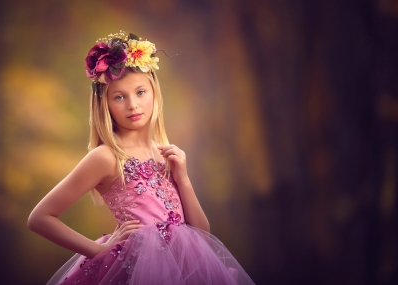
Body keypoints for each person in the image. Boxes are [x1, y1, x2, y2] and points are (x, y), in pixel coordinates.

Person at [28, 31, 255, 285]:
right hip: (135, 271)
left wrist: (184, 179)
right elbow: (40, 218)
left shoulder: (165, 153)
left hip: (185, 273)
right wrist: (98, 250)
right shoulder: (106, 157)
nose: (133, 105)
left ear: (154, 92)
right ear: (105, 104)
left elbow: (201, 237)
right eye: (119, 97)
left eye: (140, 92)